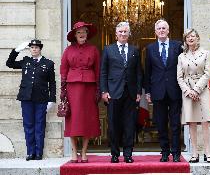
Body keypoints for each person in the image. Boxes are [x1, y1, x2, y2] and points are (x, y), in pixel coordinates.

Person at [6, 39, 56, 161]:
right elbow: (9, 63)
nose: (34, 49)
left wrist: (51, 99)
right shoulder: (25, 61)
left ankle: (39, 153)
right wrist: (17, 50)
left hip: (41, 99)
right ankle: (30, 152)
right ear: (30, 49)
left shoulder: (48, 63)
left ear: (40, 49)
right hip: (26, 98)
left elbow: (52, 83)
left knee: (39, 125)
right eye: (32, 47)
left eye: (36, 47)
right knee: (28, 125)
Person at [100, 22, 142, 163]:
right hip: (113, 92)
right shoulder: (108, 49)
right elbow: (103, 72)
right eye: (121, 32)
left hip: (130, 93)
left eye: (125, 32)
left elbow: (138, 73)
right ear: (116, 33)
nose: (123, 34)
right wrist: (104, 91)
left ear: (129, 34)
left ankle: (128, 154)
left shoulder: (135, 50)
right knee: (113, 124)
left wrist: (138, 91)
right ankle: (114, 154)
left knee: (129, 124)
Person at [60, 21, 101, 163]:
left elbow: (98, 70)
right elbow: (63, 70)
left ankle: (84, 151)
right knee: (73, 119)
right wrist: (63, 90)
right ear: (75, 35)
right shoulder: (68, 50)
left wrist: (98, 89)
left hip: (89, 87)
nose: (82, 34)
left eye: (84, 31)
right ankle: (73, 151)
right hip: (72, 88)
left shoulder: (94, 49)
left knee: (87, 119)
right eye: (79, 32)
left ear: (87, 34)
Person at [144, 19, 182, 162]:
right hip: (157, 91)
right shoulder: (150, 48)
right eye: (159, 28)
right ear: (155, 32)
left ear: (168, 30)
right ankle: (165, 152)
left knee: (175, 124)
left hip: (174, 90)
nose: (161, 30)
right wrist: (147, 91)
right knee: (160, 124)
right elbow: (147, 71)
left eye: (164, 28)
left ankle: (176, 153)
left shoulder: (177, 46)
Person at [177, 29, 210, 163]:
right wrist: (188, 91)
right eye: (188, 37)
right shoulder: (181, 56)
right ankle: (194, 153)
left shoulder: (205, 53)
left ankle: (208, 152)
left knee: (205, 122)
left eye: (193, 36)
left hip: (202, 90)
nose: (190, 38)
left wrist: (197, 89)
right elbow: (179, 77)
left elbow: (208, 73)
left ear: (197, 38)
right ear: (185, 40)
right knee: (191, 122)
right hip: (188, 92)